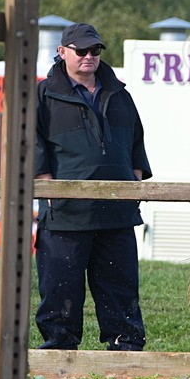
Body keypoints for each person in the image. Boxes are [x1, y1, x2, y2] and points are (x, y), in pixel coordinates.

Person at [34, 23, 151, 351]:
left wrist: (135, 184)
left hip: (117, 214)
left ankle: (126, 351)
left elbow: (136, 144)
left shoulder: (120, 94)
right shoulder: (43, 95)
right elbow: (31, 145)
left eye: (94, 50)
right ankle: (59, 352)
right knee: (60, 290)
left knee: (121, 288)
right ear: (62, 52)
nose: (89, 56)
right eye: (81, 50)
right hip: (66, 214)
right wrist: (48, 191)